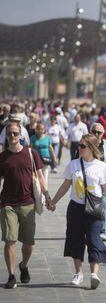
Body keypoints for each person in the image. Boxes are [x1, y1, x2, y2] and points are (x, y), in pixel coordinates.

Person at [48, 134, 106, 289]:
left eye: (82, 146)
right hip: (75, 208)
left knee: (94, 240)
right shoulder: (73, 165)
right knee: (76, 241)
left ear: (91, 148)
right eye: (78, 145)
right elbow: (65, 186)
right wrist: (53, 202)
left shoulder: (100, 166)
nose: (78, 148)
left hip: (94, 209)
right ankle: (78, 273)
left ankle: (94, 274)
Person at [0, 122, 52, 289]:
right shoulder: (2, 157)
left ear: (21, 135)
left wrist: (48, 196)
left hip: (28, 203)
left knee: (28, 242)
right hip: (7, 203)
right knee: (10, 240)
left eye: (15, 134)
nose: (12, 137)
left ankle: (24, 265)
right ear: (6, 136)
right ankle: (11, 275)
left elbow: (40, 177)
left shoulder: (31, 153)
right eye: (9, 134)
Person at [30, 123, 57, 188]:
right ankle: (39, 192)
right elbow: (30, 149)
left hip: (46, 160)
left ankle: (45, 193)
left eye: (42, 129)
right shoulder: (33, 138)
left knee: (45, 177)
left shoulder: (47, 138)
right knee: (37, 178)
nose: (40, 131)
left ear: (44, 130)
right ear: (36, 130)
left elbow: (51, 149)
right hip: (36, 160)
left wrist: (54, 159)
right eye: (39, 129)